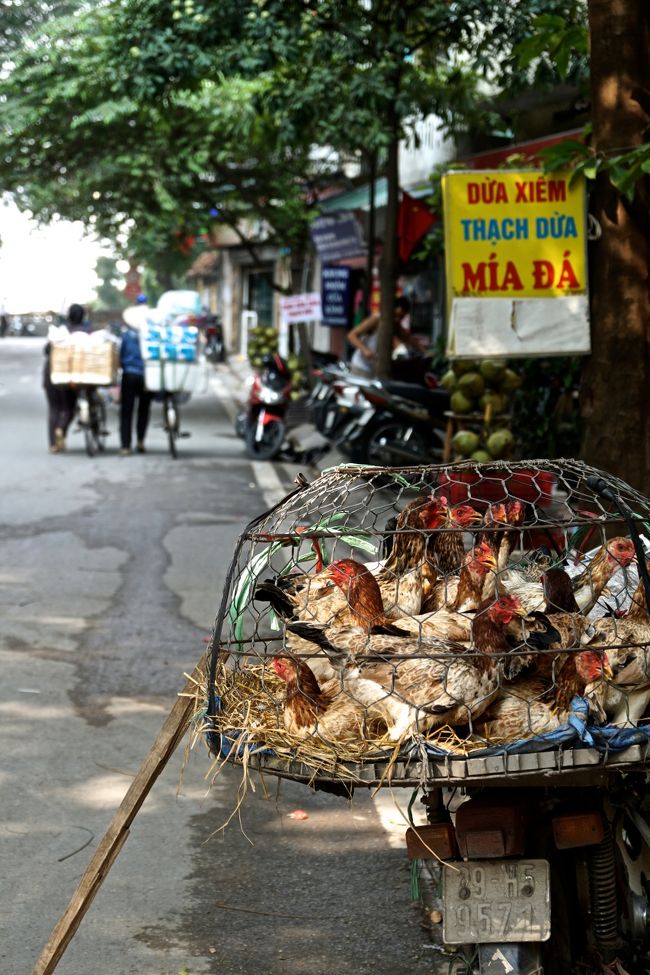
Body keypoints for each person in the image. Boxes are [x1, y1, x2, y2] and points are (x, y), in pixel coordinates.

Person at [43, 303, 90, 453]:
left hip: (51, 374)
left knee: (54, 409)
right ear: (83, 316)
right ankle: (61, 429)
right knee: (68, 408)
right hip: (72, 376)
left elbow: (46, 351)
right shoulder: (87, 332)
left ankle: (53, 444)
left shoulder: (59, 332)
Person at [347, 296, 419, 377]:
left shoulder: (396, 325)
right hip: (361, 366)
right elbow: (351, 335)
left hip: (376, 369)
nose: (397, 319)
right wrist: (365, 350)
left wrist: (424, 352)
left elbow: (409, 339)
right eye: (396, 315)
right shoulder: (377, 319)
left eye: (401, 317)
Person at [119, 314, 151, 455]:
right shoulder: (151, 336)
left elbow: (121, 356)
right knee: (144, 410)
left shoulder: (126, 337)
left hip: (129, 376)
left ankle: (126, 446)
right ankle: (141, 442)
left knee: (126, 411)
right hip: (147, 376)